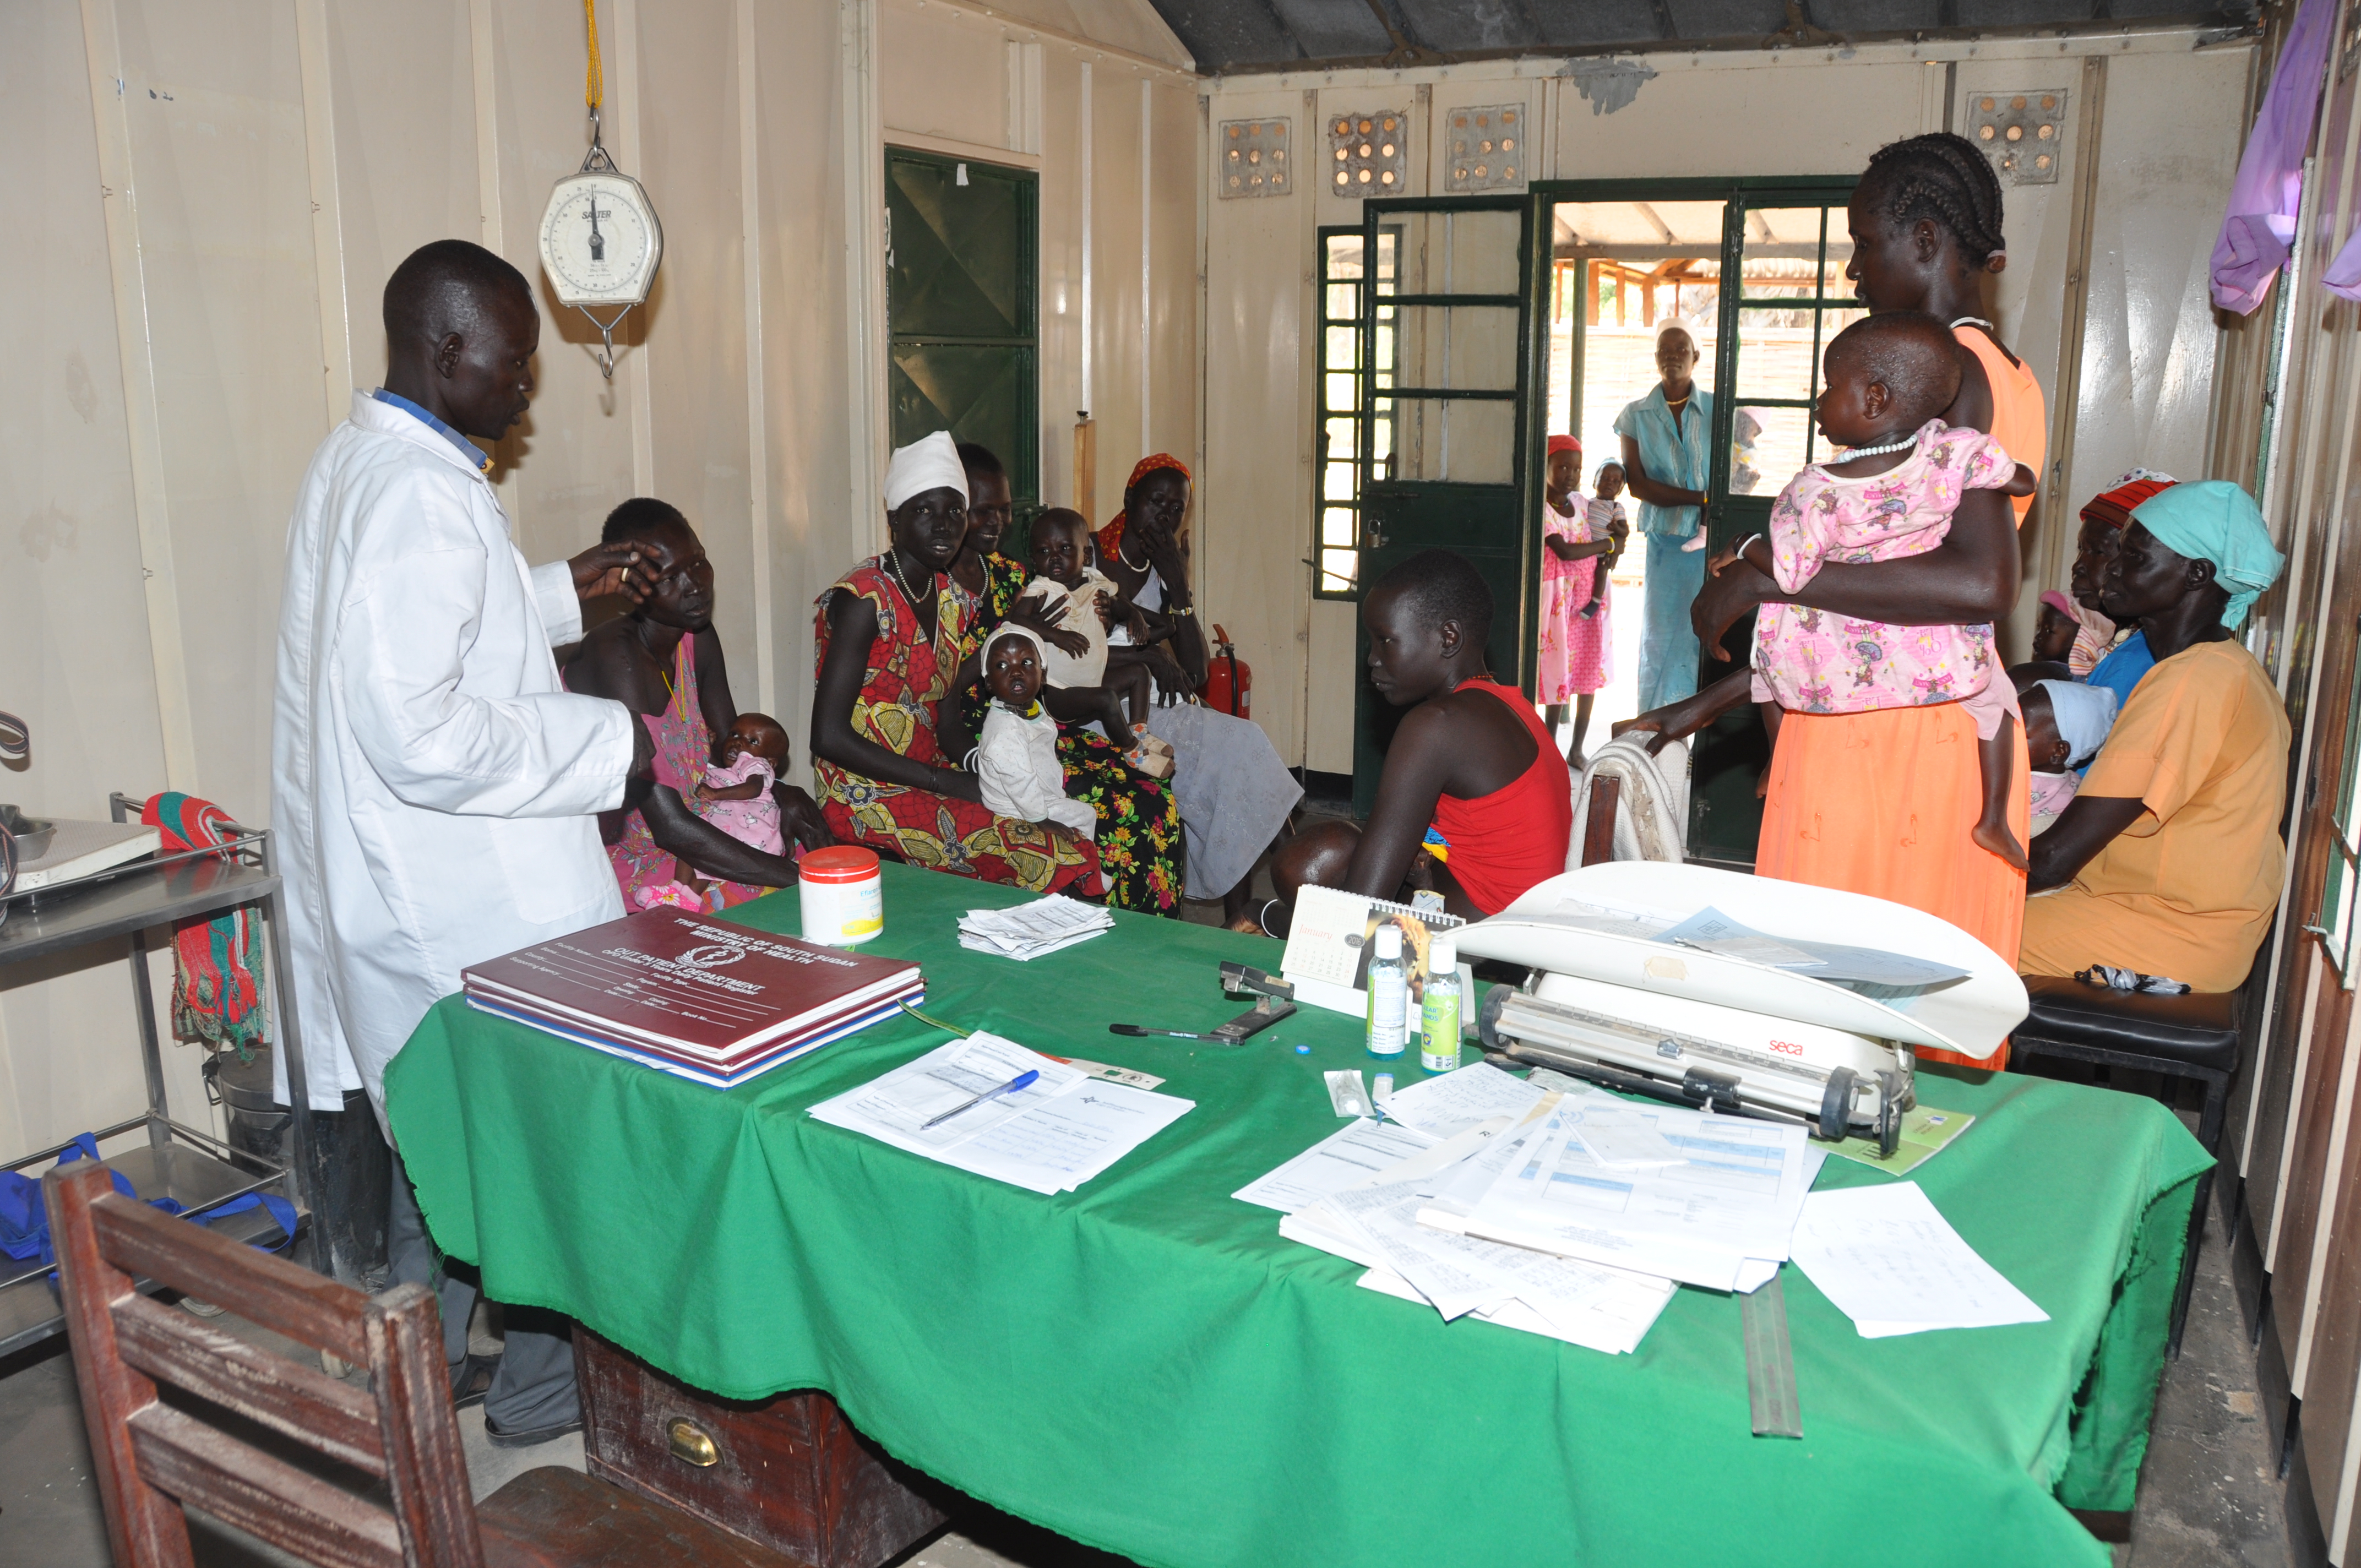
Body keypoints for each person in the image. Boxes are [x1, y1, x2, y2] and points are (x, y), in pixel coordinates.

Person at [273, 239, 660, 1447]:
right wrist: (609, 740)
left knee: (447, 1163)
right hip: (465, 904)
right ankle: (538, 1393)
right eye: (513, 360)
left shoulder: (365, 462)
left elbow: (412, 629)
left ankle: (417, 1386)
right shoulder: (422, 493)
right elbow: (419, 729)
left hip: (396, 894)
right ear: (444, 352)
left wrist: (557, 594)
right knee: (534, 1160)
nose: (527, 384)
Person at [1627, 132, 2039, 1066]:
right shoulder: (1997, 367)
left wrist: (1776, 574)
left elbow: (1976, 581)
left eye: (1864, 243)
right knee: (1899, 1036)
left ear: (1926, 241)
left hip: (1892, 743)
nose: (1853, 270)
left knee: (1839, 1031)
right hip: (1894, 721)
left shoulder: (1957, 374)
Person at [1717, 313, 2037, 869]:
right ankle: (1992, 818)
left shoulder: (1813, 490)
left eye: (1828, 385)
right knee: (1995, 700)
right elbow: (2016, 477)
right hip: (1931, 644)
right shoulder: (1950, 449)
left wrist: (1748, 547)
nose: (1818, 400)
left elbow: (1793, 574)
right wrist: (2012, 480)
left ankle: (1776, 760)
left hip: (1836, 652)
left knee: (1767, 669)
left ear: (1873, 400)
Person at [2023, 482, 2289, 992]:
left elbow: (2055, 858)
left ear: (2196, 574)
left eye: (2137, 556)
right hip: (2160, 915)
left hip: (2165, 932)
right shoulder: (2224, 668)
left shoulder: (2191, 680)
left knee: (1943, 934)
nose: (2116, 568)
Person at [811, 432, 1103, 896]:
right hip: (864, 792)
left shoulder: (954, 601)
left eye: (955, 512)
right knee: (1046, 853)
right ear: (894, 519)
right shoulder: (863, 599)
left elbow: (946, 720)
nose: (944, 526)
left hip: (933, 774)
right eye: (924, 511)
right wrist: (945, 781)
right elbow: (826, 736)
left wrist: (985, 770)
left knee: (1062, 822)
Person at [1263, 549, 1572, 928]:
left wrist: (1270, 919)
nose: (1373, 659)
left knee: (1309, 863)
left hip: (1491, 942)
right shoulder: (1509, 703)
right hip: (1537, 921)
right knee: (1343, 847)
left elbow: (1364, 902)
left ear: (1448, 638)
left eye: (1386, 641)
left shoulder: (1435, 725)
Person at [948, 445, 1185, 914]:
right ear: (954, 512)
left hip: (1045, 720)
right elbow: (955, 690)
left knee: (1155, 796)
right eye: (981, 511)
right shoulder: (951, 589)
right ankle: (1111, 931)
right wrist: (965, 761)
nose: (995, 521)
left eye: (1003, 510)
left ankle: (1156, 936)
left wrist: (1107, 620)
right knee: (1124, 809)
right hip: (999, 739)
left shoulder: (1015, 574)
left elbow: (1079, 645)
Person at [568, 500, 828, 911]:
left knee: (822, 856)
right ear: (629, 584)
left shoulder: (696, 635)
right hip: (640, 857)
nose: (695, 585)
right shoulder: (614, 656)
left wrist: (781, 791)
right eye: (671, 577)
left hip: (704, 828)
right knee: (806, 900)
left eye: (699, 563)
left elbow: (733, 754)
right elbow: (667, 825)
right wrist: (802, 880)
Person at [1096, 455, 1304, 924]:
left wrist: (1179, 585)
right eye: (1156, 503)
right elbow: (1073, 653)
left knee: (1239, 752)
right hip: (1104, 705)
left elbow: (1195, 670)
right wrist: (1148, 656)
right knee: (1239, 747)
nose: (1165, 518)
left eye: (1177, 510)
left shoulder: (1163, 569)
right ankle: (1292, 902)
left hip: (1161, 701)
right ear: (1130, 500)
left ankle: (1252, 917)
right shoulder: (1086, 554)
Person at [1016, 509, 1170, 773]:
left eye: (1065, 548)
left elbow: (1119, 605)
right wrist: (1056, 635)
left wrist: (1134, 615)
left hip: (1092, 680)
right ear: (1033, 560)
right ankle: (1133, 752)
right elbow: (1015, 622)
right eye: (1043, 552)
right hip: (1058, 693)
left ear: (1086, 555)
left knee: (1139, 672)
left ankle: (1140, 729)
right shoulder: (1043, 589)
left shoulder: (1096, 582)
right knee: (1107, 699)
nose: (1054, 558)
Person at [1615, 323, 1715, 710]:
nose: (1672, 355)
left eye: (1681, 348)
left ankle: (1699, 727)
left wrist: (1709, 507)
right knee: (1660, 636)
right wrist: (1702, 499)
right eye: (1664, 350)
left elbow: (1739, 468)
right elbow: (1639, 486)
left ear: (1696, 357)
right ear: (1656, 359)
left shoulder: (1717, 410)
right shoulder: (1635, 415)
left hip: (1714, 542)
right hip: (1666, 542)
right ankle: (1656, 724)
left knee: (1704, 633)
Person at [970, 625, 1102, 847]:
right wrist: (1042, 820)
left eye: (1027, 662)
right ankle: (1087, 865)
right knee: (1086, 814)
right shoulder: (1005, 730)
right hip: (1014, 806)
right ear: (989, 683)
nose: (1016, 672)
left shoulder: (1031, 710)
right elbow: (1019, 781)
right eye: (1002, 665)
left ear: (1043, 675)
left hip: (1038, 794)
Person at [1537, 435, 1616, 766]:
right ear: (1546, 466)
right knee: (1558, 672)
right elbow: (1566, 551)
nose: (1571, 474)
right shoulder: (1541, 509)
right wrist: (1608, 546)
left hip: (1590, 599)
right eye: (1563, 467)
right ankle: (1549, 749)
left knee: (1586, 672)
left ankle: (1577, 749)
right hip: (1558, 600)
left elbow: (1612, 534)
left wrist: (1613, 543)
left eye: (1577, 468)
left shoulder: (1584, 504)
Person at [2074, 471, 2179, 709]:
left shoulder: (2139, 659)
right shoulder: (2125, 642)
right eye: (2081, 549)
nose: (2078, 566)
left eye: (2098, 552)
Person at [2016, 674, 2118, 834]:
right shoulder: (2076, 782)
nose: (2005, 735)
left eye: (2020, 731)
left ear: (2058, 752)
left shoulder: (2017, 783)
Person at [2031, 591, 2081, 668]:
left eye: (2049, 631)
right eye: (2039, 627)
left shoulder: (2046, 673)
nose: (2038, 636)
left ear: (2077, 640)